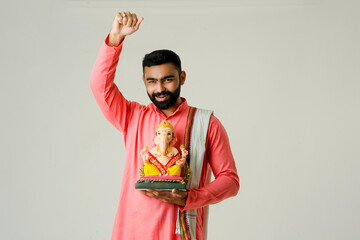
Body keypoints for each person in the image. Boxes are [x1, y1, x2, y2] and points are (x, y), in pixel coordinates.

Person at [90, 11, 240, 240]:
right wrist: (115, 39)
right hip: (133, 232)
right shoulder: (132, 116)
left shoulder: (206, 123)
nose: (159, 88)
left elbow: (230, 180)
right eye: (152, 81)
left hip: (182, 233)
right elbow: (100, 87)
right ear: (144, 81)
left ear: (182, 77)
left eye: (167, 79)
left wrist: (190, 197)